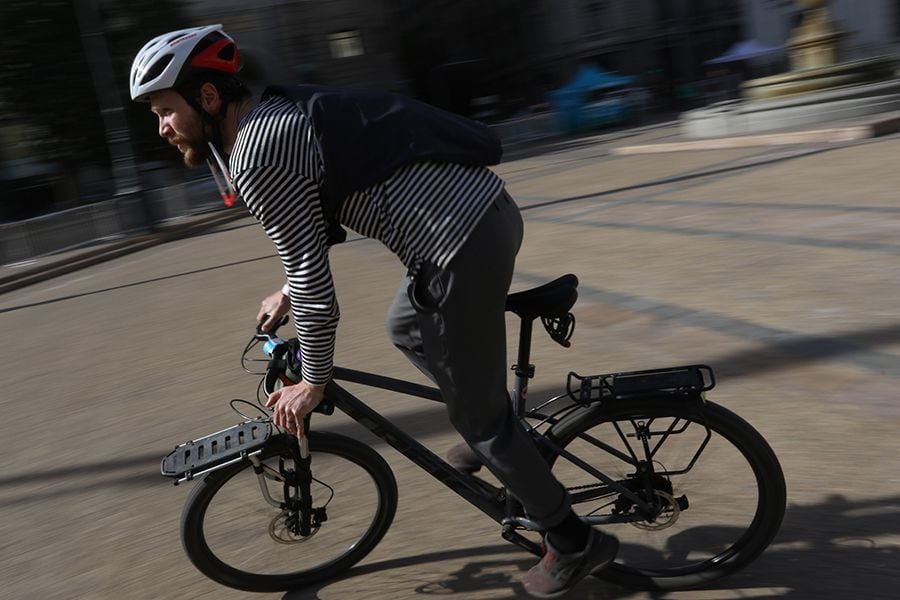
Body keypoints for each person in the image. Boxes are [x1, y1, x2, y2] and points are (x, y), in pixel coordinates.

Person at [130, 24, 617, 597]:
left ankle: (571, 540)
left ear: (207, 99)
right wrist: (287, 291)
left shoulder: (256, 151)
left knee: (479, 416)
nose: (162, 127)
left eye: (165, 111)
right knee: (405, 326)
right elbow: (313, 228)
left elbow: (314, 278)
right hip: (480, 215)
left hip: (458, 243)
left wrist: (314, 381)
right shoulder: (272, 114)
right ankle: (510, 441)